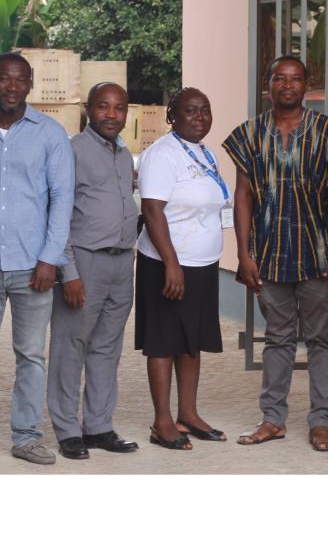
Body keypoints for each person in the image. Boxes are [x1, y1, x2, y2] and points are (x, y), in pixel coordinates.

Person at [223, 56, 328, 452]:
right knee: (277, 340)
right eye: (279, 78)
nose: (288, 85)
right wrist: (243, 254)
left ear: (307, 85)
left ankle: (320, 423)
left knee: (321, 341)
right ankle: (272, 419)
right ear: (268, 85)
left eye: (296, 78)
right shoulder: (249, 134)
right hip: (269, 254)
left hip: (319, 256)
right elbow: (242, 197)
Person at [0, 52, 75, 465]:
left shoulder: (51, 134)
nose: (12, 86)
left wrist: (51, 258)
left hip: (34, 265)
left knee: (31, 355)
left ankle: (27, 437)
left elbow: (62, 200)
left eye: (20, 80)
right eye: (4, 79)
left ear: (30, 84)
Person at [47, 82, 139, 459]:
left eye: (119, 108)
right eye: (104, 107)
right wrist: (68, 272)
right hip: (85, 261)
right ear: (88, 109)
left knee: (106, 348)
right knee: (71, 346)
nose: (112, 115)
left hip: (121, 262)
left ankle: (99, 426)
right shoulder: (72, 151)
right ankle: (68, 429)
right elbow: (58, 214)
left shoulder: (124, 153)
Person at [136, 87, 227, 450]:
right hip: (167, 263)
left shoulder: (206, 153)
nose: (200, 116)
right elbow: (152, 210)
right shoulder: (162, 155)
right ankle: (162, 422)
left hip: (202, 263)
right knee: (164, 341)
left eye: (205, 110)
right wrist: (172, 264)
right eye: (191, 111)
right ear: (172, 115)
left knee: (191, 342)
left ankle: (187, 413)